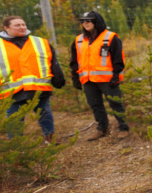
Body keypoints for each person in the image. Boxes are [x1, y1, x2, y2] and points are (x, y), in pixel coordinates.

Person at [1, 16, 65, 143]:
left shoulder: (40, 42)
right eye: (17, 25)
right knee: (14, 118)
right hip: (13, 91)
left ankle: (50, 138)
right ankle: (16, 145)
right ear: (6, 28)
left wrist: (59, 79)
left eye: (23, 24)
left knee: (45, 113)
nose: (22, 27)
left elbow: (52, 62)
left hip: (39, 87)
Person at [70, 11, 129, 140]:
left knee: (115, 103)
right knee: (95, 105)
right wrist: (75, 77)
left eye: (88, 21)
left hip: (107, 79)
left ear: (97, 22)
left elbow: (118, 59)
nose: (85, 23)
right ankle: (102, 129)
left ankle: (123, 128)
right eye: (83, 21)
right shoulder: (79, 40)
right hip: (88, 79)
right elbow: (74, 60)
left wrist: (116, 75)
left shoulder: (110, 37)